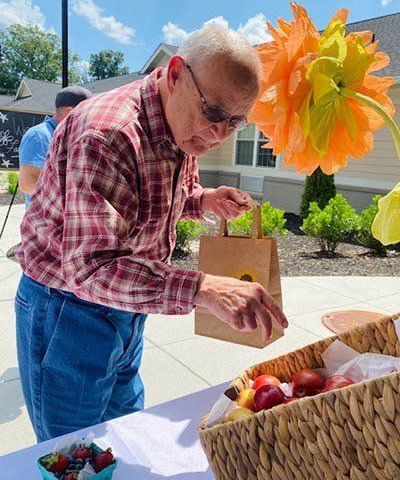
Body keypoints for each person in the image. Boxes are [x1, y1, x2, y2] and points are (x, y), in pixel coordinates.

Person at [14, 24, 288, 442]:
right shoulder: (107, 133)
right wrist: (203, 288)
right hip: (66, 310)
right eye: (214, 113)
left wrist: (204, 199)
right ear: (176, 73)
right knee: (76, 454)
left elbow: (161, 195)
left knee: (127, 434)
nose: (218, 135)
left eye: (235, 123)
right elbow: (91, 268)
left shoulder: (182, 126)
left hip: (127, 304)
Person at [6, 86, 92, 260]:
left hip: (63, 234)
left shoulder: (67, 137)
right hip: (43, 235)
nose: (90, 120)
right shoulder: (40, 135)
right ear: (69, 111)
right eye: (87, 113)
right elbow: (28, 183)